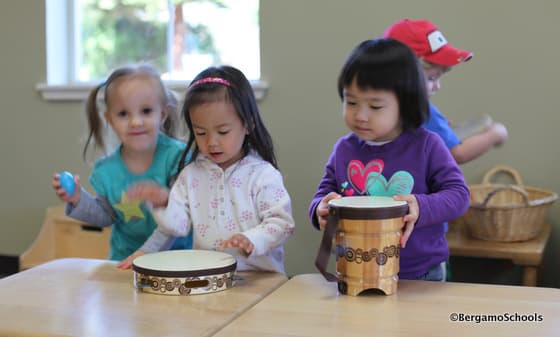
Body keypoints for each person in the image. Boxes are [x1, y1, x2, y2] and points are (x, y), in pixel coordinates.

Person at [308, 38, 470, 281]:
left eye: (375, 106)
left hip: (420, 273)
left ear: (405, 105)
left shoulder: (427, 145)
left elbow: (459, 195)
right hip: (357, 269)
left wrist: (421, 205)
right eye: (351, 102)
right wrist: (319, 208)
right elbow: (324, 193)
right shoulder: (344, 149)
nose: (360, 115)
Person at [127, 65, 295, 273]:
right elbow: (177, 227)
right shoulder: (190, 175)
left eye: (223, 132)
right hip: (209, 280)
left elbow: (282, 224)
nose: (211, 142)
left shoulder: (263, 175)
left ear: (248, 124)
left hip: (261, 281)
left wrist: (250, 239)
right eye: (201, 132)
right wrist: (163, 202)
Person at [52, 64, 193, 270]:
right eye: (123, 114)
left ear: (162, 114)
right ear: (110, 119)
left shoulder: (177, 158)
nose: (136, 122)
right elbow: (106, 217)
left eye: (146, 111)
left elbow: (187, 211)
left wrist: (165, 197)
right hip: (124, 263)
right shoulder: (106, 171)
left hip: (177, 263)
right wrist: (78, 199)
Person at [383, 18, 508, 164]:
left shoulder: (378, 107)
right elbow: (456, 154)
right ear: (401, 75)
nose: (438, 86)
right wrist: (494, 134)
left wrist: (438, 128)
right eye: (432, 78)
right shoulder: (421, 110)